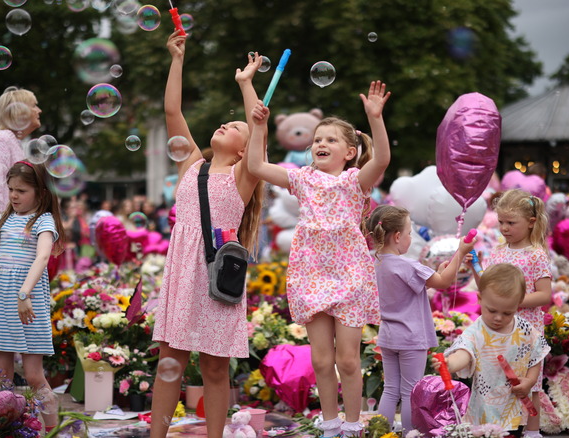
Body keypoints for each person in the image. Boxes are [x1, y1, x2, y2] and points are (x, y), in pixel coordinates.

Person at [247, 80, 391, 438]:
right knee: (322, 360)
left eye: (330, 140)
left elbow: (384, 158)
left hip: (350, 274)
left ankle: (353, 425)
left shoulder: (356, 180)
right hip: (311, 273)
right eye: (317, 139)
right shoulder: (302, 179)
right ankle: (330, 424)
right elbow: (255, 166)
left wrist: (375, 118)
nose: (320, 144)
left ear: (350, 152)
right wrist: (259, 127)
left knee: (348, 359)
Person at [150, 30, 264, 438]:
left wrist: (246, 85)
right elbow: (171, 112)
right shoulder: (192, 165)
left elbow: (258, 130)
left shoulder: (242, 175)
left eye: (233, 126)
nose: (223, 123)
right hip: (183, 274)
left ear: (241, 150)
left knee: (215, 367)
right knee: (170, 363)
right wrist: (177, 59)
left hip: (216, 275)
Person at [0, 161, 65, 431]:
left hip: (28, 303)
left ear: (41, 194)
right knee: (1, 377)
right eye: (10, 189)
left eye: (21, 190)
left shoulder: (43, 221)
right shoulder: (4, 219)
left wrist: (25, 293)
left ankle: (54, 430)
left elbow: (43, 257)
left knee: (34, 376)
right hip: (1, 302)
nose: (13, 196)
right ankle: (6, 430)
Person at [364, 205, 475, 433]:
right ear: (397, 237)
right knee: (410, 392)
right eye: (408, 234)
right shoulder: (407, 265)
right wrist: (461, 252)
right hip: (410, 338)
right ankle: (409, 434)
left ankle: (381, 433)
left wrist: (442, 269)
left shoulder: (374, 263)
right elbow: (443, 282)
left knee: (390, 389)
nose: (409, 238)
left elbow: (437, 277)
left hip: (388, 335)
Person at [432, 264, 550, 436]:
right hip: (485, 407)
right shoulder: (477, 330)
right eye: (492, 310)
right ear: (480, 299)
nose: (498, 318)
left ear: (518, 306)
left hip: (513, 406)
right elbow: (465, 352)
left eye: (507, 313)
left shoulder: (524, 329)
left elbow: (536, 353)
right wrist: (450, 364)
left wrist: (530, 381)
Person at [474, 188, 552, 438]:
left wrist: (514, 303)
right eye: (501, 222)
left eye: (511, 222)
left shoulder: (536, 254)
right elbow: (488, 288)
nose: (504, 228)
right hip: (499, 326)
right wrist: (475, 269)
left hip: (526, 329)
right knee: (498, 380)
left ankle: (531, 431)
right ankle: (498, 427)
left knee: (529, 383)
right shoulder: (498, 251)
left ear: (531, 223)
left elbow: (544, 294)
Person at [0, 86, 42, 212]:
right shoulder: (3, 139)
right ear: (20, 111)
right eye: (34, 106)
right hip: (0, 225)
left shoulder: (14, 142)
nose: (39, 110)